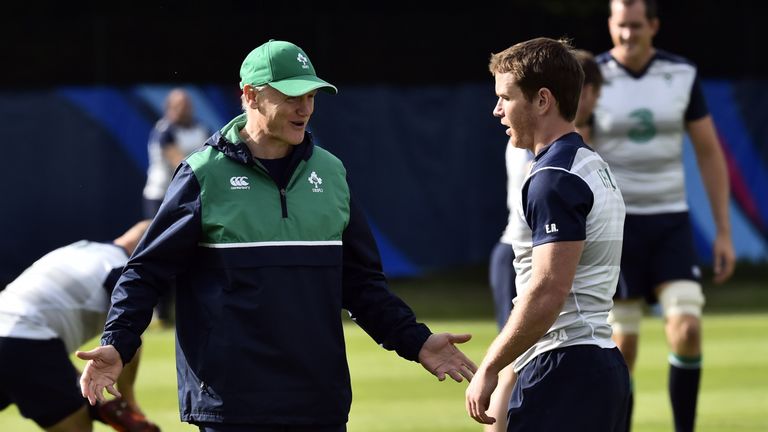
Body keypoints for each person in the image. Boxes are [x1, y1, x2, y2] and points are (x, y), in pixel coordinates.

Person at [77, 39, 477, 432]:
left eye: (311, 95)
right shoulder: (204, 174)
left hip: (318, 401)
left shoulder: (332, 173)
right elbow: (146, 271)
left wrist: (416, 341)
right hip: (232, 403)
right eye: (290, 96)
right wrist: (118, 342)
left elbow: (360, 284)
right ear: (250, 96)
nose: (304, 108)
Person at [465, 37, 629, 431]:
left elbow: (548, 290)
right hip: (596, 363)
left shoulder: (553, 179)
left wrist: (490, 364)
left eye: (506, 97)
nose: (497, 110)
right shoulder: (591, 164)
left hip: (564, 369)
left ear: (542, 100)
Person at [593, 1, 736, 431]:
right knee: (623, 348)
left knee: (688, 328)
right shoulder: (592, 77)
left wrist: (723, 232)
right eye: (621, 26)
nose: (628, 35)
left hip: (669, 220)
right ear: (610, 26)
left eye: (636, 26)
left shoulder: (681, 74)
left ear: (654, 26)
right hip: (617, 227)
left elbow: (709, 151)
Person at [0, 220, 159, 432]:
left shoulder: (83, 248)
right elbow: (127, 336)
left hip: (19, 334)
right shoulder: (124, 270)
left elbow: (37, 318)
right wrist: (128, 401)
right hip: (25, 341)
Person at [142, 88, 210, 328]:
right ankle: (160, 312)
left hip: (191, 197)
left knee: (194, 254)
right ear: (170, 108)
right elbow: (181, 163)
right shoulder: (165, 130)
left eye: (187, 104)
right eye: (179, 105)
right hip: (161, 198)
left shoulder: (201, 128)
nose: (184, 109)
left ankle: (189, 308)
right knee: (161, 254)